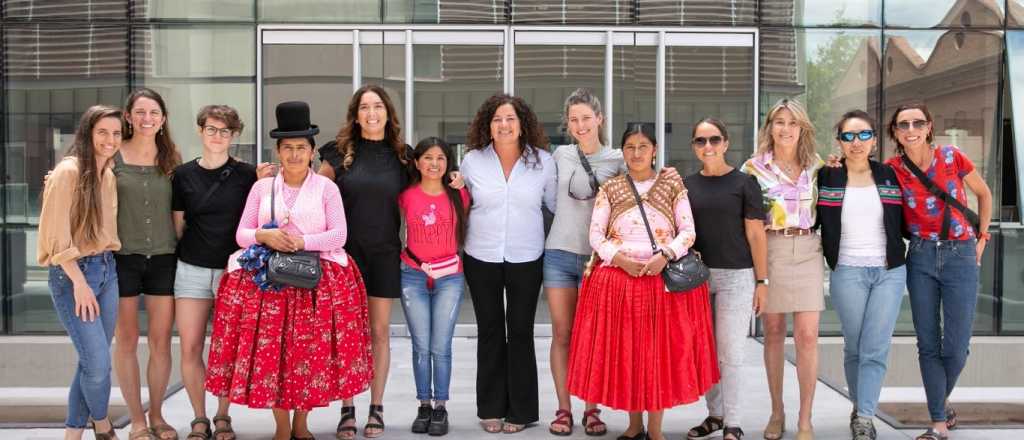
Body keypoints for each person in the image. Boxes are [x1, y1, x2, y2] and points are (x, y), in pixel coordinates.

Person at [204, 101, 373, 440]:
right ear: (278, 152)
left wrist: (297, 241)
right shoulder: (262, 188)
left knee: (307, 356)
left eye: (301, 148)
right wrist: (265, 235)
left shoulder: (327, 188)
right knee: (274, 358)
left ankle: (301, 423)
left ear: (312, 152)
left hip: (316, 284)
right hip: (270, 286)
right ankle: (282, 425)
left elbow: (339, 234)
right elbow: (242, 234)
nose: (295, 154)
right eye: (288, 148)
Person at [567, 123, 718, 440]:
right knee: (629, 356)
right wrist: (619, 258)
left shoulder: (671, 186)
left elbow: (687, 231)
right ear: (623, 152)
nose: (636, 153)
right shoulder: (611, 189)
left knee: (656, 357)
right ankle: (634, 426)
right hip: (619, 281)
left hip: (660, 281)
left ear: (654, 151)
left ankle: (657, 430)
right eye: (630, 147)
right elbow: (595, 234)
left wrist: (665, 255)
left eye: (643, 147)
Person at [883, 103, 992, 440]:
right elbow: (858, 174)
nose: (911, 129)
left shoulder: (952, 157)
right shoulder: (892, 168)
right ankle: (938, 423)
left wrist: (982, 237)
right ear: (896, 133)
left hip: (960, 254)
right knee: (928, 343)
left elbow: (984, 194)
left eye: (917, 122)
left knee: (957, 346)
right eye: (904, 124)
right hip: (921, 257)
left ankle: (940, 404)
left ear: (929, 127)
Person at [461, 93, 557, 434]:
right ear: (488, 126)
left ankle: (521, 410)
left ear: (522, 125)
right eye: (497, 119)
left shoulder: (543, 162)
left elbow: (555, 206)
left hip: (527, 256)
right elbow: (461, 202)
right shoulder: (472, 161)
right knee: (489, 331)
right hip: (480, 255)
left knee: (520, 331)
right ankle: (489, 407)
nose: (504, 125)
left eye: (510, 119)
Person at [318, 84, 410, 439]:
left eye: (378, 107)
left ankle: (376, 407)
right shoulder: (338, 153)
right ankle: (347, 408)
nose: (372, 113)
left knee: (379, 334)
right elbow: (313, 195)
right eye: (365, 108)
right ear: (355, 116)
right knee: (347, 337)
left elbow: (426, 196)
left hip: (385, 255)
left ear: (388, 112)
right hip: (345, 258)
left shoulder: (403, 157)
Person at [171, 105, 266, 440]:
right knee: (191, 346)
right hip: (192, 269)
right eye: (211, 129)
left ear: (234, 135)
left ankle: (222, 414)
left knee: (225, 349)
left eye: (225, 131)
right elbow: (178, 226)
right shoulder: (182, 175)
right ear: (200, 131)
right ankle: (199, 417)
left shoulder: (247, 174)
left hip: (234, 272)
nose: (217, 136)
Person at [816, 110, 907, 440]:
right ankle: (860, 406)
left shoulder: (890, 175)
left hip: (889, 271)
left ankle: (865, 417)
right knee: (855, 347)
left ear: (874, 139)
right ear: (839, 140)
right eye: (849, 136)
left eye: (864, 135)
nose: (857, 142)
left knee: (875, 347)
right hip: (848, 271)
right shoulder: (826, 176)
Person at [741, 98, 824, 440]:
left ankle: (806, 419)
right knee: (773, 332)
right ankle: (777, 412)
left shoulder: (818, 165)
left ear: (802, 128)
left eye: (792, 123)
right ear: (769, 128)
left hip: (807, 249)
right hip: (770, 249)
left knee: (807, 336)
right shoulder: (752, 168)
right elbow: (746, 221)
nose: (785, 129)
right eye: (779, 122)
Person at [38, 105, 123, 440]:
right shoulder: (67, 173)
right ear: (88, 134)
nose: (110, 139)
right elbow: (54, 237)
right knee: (98, 365)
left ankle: (73, 433)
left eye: (116, 133)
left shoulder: (109, 174)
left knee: (91, 361)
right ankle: (102, 426)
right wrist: (79, 284)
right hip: (74, 275)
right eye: (102, 132)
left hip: (107, 271)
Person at [543, 88, 621, 437]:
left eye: (586, 118)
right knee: (562, 334)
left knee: (592, 337)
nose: (580, 125)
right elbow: (547, 197)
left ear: (599, 119)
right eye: (574, 119)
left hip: (598, 261)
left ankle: (592, 408)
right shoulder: (560, 154)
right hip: (559, 253)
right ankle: (564, 408)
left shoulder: (617, 159)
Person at [684, 118, 768, 440]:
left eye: (714, 140)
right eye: (701, 141)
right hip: (698, 279)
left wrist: (762, 283)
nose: (708, 147)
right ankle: (715, 415)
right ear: (694, 146)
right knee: (705, 351)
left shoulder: (744, 183)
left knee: (730, 351)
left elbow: (756, 235)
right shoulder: (687, 185)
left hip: (737, 277)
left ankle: (733, 421)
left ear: (726, 143)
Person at [113, 88, 182, 440]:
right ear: (128, 116)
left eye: (153, 113)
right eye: (139, 112)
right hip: (123, 259)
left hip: (164, 258)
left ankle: (157, 414)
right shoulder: (112, 156)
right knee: (125, 340)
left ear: (163, 119)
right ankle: (136, 419)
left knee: (160, 341)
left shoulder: (171, 159)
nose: (146, 119)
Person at [398, 137, 470, 437]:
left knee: (440, 347)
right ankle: (423, 405)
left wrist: (461, 183)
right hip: (413, 275)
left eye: (440, 158)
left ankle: (440, 406)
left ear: (448, 163)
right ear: (417, 162)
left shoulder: (459, 195)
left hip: (449, 278)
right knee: (421, 346)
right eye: (427, 157)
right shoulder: (405, 195)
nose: (434, 163)